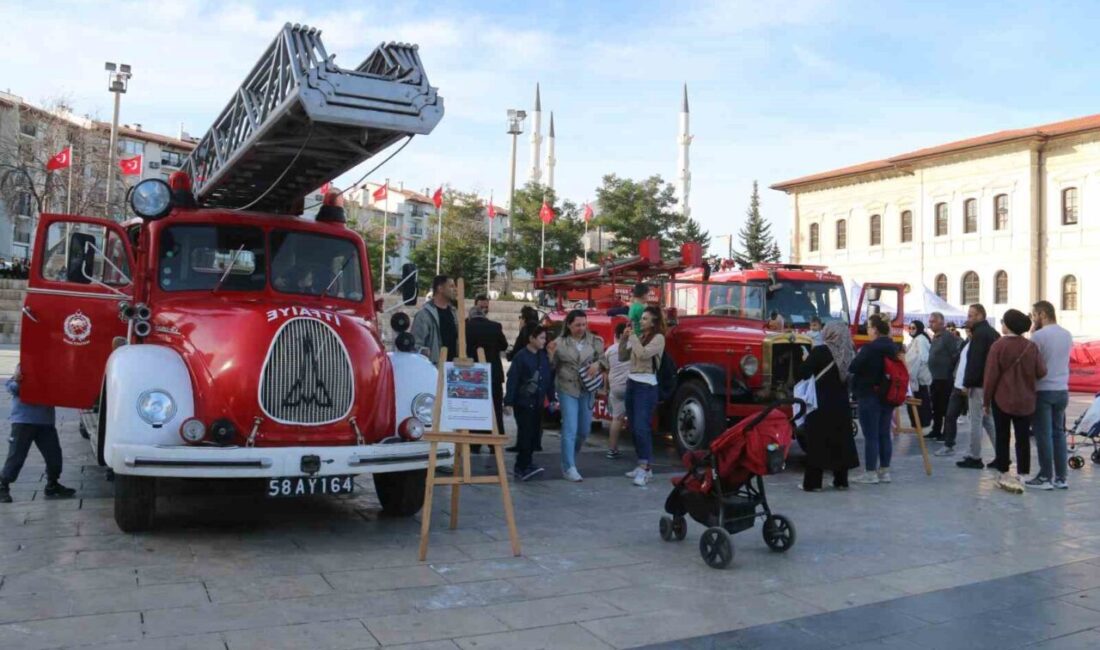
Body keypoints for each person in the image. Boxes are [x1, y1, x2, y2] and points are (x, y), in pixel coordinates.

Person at [983, 309, 1046, 493]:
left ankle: (1003, 472)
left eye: (1003, 321)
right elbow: (1041, 372)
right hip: (1026, 399)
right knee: (1023, 438)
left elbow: (990, 377)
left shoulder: (998, 346)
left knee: (1003, 436)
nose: (1001, 324)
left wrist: (986, 401)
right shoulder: (1030, 346)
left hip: (1002, 399)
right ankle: (1023, 474)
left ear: (1008, 325)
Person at [798, 322, 860, 491]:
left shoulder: (820, 351)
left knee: (817, 441)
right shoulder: (849, 352)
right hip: (841, 403)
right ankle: (841, 481)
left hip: (821, 403)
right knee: (840, 440)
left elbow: (803, 372)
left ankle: (813, 483)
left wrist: (805, 359)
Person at [1, 365, 76, 503]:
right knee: (16, 456)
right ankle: (2, 485)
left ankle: (52, 485)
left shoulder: (53, 366)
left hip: (45, 421)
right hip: (23, 420)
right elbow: (11, 388)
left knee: (54, 456)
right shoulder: (25, 364)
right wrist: (18, 380)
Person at [549, 309, 606, 481]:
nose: (581, 328)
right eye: (577, 325)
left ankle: (570, 457)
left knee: (583, 430)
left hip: (587, 389)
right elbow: (552, 367)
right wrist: (550, 355)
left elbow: (605, 359)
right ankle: (569, 467)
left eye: (584, 324)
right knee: (570, 427)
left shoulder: (595, 341)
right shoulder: (559, 343)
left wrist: (598, 365)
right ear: (569, 325)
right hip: (567, 387)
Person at [1027, 300, 1073, 490]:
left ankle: (1045, 476)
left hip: (1043, 389)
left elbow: (1032, 364)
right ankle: (1061, 477)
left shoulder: (1038, 336)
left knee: (1043, 435)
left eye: (1034, 315)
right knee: (1058, 434)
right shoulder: (1067, 334)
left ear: (1042, 314)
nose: (1033, 319)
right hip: (1062, 389)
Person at [848, 317, 899, 484]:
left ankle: (870, 472)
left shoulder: (870, 348)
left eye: (868, 327)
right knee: (884, 433)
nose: (867, 331)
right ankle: (885, 471)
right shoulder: (893, 347)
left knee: (871, 435)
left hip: (869, 395)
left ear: (875, 329)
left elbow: (853, 367)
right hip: (888, 395)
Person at [621, 306, 666, 487]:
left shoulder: (659, 338)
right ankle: (641, 463)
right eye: (642, 318)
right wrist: (624, 339)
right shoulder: (640, 337)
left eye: (646, 319)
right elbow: (623, 356)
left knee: (642, 426)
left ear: (654, 322)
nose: (641, 321)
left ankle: (646, 468)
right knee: (633, 425)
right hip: (632, 382)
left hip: (646, 386)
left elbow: (643, 353)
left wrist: (632, 337)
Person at [504, 326, 554, 481]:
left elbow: (547, 379)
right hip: (524, 403)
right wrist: (509, 402)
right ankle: (521, 466)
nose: (544, 341)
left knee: (534, 435)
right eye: (541, 338)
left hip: (537, 402)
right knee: (525, 435)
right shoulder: (521, 357)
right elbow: (513, 379)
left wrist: (552, 398)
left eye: (545, 338)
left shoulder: (542, 356)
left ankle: (528, 463)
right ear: (531, 338)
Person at [956, 304, 1000, 469]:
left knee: (976, 421)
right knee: (989, 420)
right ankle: (1001, 454)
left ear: (981, 316)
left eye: (972, 315)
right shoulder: (993, 333)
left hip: (978, 384)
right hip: (989, 384)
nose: (969, 319)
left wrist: (968, 383)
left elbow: (975, 362)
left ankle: (975, 456)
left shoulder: (980, 334)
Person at [466, 299, 509, 453]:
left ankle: (474, 443)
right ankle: (494, 442)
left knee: (475, 409)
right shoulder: (495, 326)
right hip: (494, 373)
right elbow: (504, 346)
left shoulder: (466, 327)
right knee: (496, 407)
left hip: (473, 375)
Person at [927, 312, 961, 442]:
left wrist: (949, 370)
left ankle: (946, 433)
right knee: (936, 406)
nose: (930, 324)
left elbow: (954, 354)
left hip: (945, 378)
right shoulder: (935, 336)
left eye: (933, 321)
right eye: (930, 321)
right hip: (935, 378)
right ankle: (936, 430)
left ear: (942, 323)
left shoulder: (947, 336)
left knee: (945, 407)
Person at [936, 331, 970, 457]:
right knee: (950, 415)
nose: (968, 331)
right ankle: (948, 445)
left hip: (969, 386)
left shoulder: (978, 345)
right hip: (958, 385)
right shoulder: (965, 344)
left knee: (982, 421)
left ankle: (979, 451)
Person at [411, 275, 458, 365]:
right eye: (451, 286)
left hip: (452, 370)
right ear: (440, 288)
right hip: (433, 369)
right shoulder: (424, 315)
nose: (455, 289)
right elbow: (416, 345)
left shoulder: (453, 312)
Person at [603, 322, 632, 459]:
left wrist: (606, 389)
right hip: (630, 386)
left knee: (616, 419)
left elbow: (606, 372)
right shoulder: (631, 347)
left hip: (615, 388)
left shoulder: (609, 351)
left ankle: (612, 449)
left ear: (617, 335)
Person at [905, 320, 933, 433]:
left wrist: (913, 373)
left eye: (913, 328)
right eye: (910, 328)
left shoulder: (920, 340)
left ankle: (923, 424)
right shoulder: (917, 340)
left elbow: (922, 358)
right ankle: (919, 424)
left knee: (920, 402)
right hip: (916, 376)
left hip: (918, 377)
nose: (911, 330)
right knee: (918, 401)